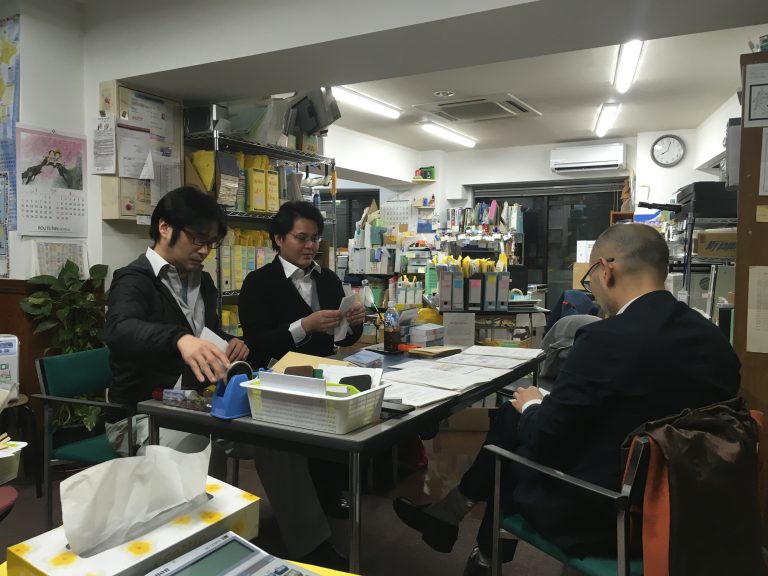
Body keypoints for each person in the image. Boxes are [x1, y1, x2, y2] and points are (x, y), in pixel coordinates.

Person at [394, 223, 740, 575]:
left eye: (589, 279)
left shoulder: (604, 339)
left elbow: (547, 439)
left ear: (606, 269)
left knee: (511, 445)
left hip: (610, 513)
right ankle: (465, 537)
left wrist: (533, 405)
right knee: (518, 419)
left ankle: (464, 530)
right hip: (687, 510)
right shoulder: (715, 342)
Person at [104, 185, 249, 456]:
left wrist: (230, 342)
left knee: (266, 437)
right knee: (201, 450)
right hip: (138, 415)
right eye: (197, 239)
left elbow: (203, 333)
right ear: (165, 228)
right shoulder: (133, 279)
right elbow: (119, 329)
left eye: (211, 242)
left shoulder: (202, 281)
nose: (204, 250)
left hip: (191, 403)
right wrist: (179, 339)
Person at [238, 200, 366, 369]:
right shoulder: (258, 282)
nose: (310, 245)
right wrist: (305, 326)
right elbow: (256, 343)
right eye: (301, 238)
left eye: (315, 238)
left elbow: (345, 340)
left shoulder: (328, 279)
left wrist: (353, 323)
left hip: (325, 372)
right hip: (278, 377)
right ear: (279, 238)